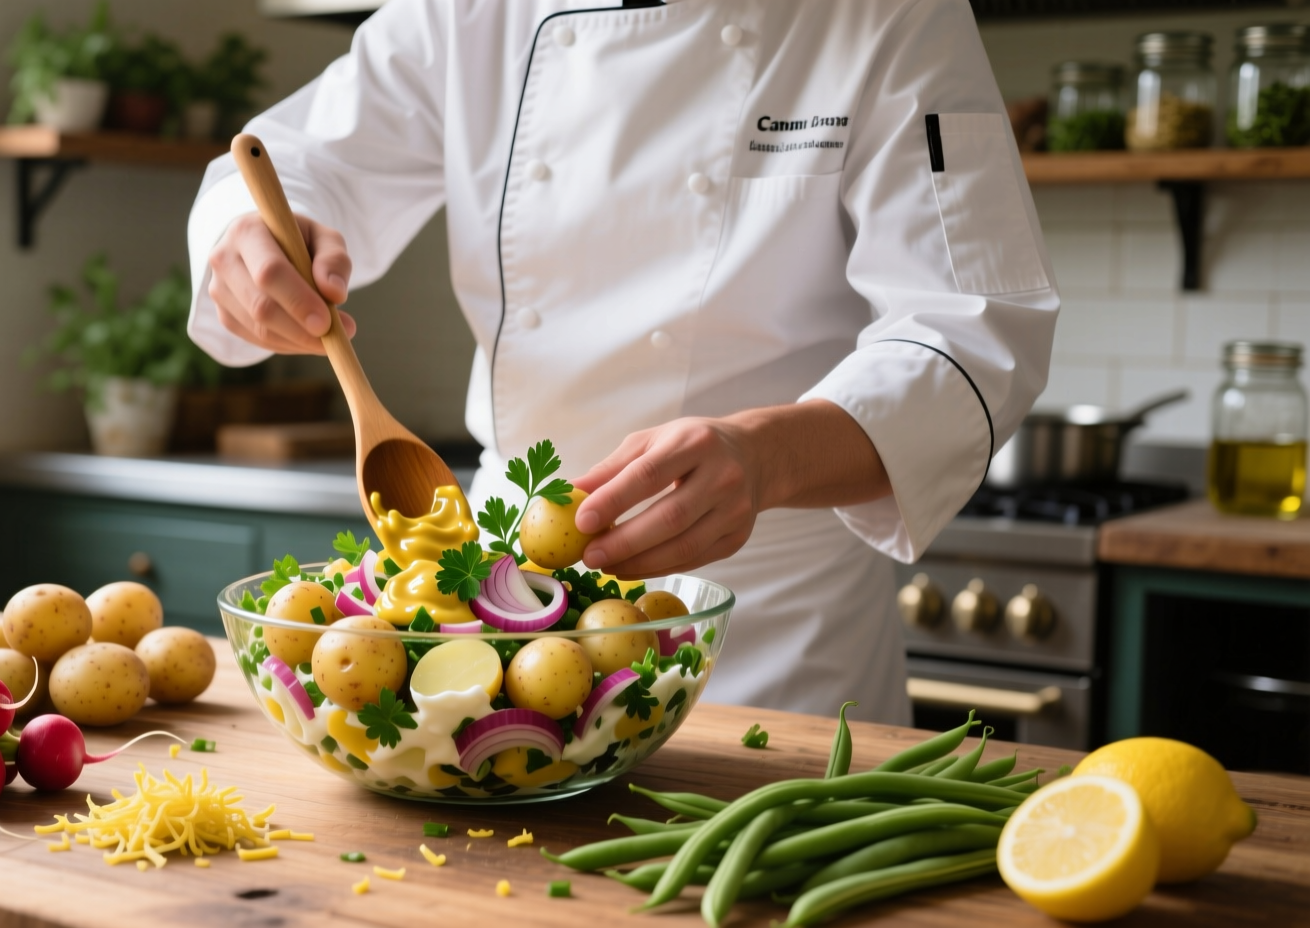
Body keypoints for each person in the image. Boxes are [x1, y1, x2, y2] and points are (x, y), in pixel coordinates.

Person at [186, 0, 1059, 725]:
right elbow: (292, 158)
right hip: (500, 618)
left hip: (776, 635)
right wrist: (247, 239)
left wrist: (766, 455)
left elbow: (976, 326)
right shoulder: (468, 12)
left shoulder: (889, 12)